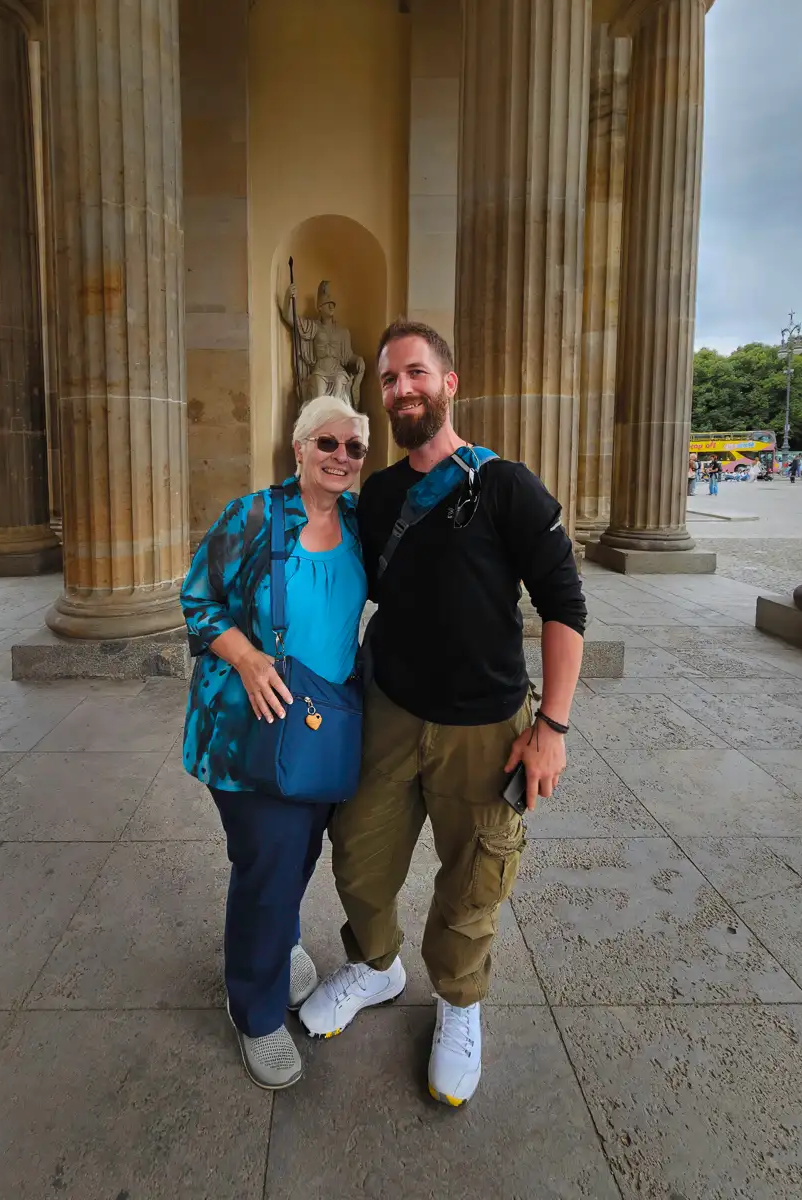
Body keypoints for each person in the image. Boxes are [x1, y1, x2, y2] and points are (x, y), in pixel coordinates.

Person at [299, 320, 586, 1106]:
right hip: (389, 710)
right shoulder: (381, 494)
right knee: (357, 853)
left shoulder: (507, 487)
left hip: (486, 728)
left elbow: (565, 606)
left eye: (416, 374)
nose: (402, 390)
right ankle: (377, 964)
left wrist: (551, 729)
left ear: (449, 384)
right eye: (389, 380)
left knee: (474, 878)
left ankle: (459, 1003)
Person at [181, 394, 369, 1091]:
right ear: (298, 447)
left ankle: (278, 938)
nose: (340, 458)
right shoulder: (255, 515)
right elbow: (197, 599)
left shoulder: (358, 522)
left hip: (324, 726)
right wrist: (249, 657)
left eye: (353, 448)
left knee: (294, 854)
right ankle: (255, 1011)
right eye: (327, 443)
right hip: (249, 731)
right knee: (269, 866)